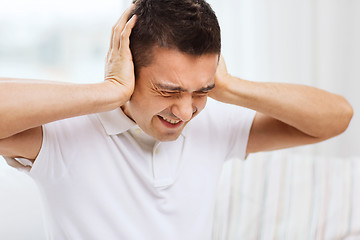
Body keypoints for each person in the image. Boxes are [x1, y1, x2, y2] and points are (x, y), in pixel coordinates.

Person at [0, 0, 353, 239]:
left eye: (201, 91)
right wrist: (109, 91)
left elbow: (336, 118)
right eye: (169, 91)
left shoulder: (214, 127)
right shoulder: (64, 134)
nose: (185, 112)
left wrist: (229, 88)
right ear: (129, 70)